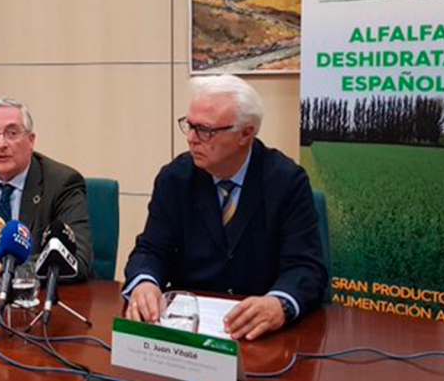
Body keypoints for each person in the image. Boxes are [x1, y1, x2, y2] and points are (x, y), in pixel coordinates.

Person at [123, 75, 327, 340]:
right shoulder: (176, 178)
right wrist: (145, 282)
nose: (192, 139)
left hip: (260, 334)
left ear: (246, 133)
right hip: (188, 331)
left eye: (205, 130)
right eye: (190, 126)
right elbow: (152, 249)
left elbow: (306, 267)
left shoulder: (286, 181)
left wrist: (280, 304)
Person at [0, 97, 93, 283]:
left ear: (31, 140)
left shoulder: (62, 183)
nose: (1, 144)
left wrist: (2, 268)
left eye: (12, 133)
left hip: (35, 301)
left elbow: (77, 260)